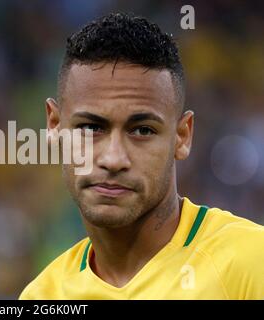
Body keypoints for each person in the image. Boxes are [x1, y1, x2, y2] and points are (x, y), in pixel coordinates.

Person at [19, 12, 264, 299]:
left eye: (143, 130)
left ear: (182, 136)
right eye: (90, 127)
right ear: (54, 126)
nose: (113, 158)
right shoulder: (42, 297)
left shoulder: (251, 264)